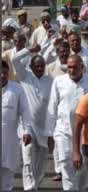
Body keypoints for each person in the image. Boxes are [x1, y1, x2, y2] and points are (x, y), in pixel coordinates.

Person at [46, 55, 88, 191]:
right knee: (66, 165)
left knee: (82, 167)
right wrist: (50, 133)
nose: (71, 70)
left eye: (74, 67)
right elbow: (52, 107)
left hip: (85, 133)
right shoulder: (59, 81)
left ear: (82, 67)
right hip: (63, 131)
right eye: (69, 67)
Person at [12, 50, 52, 191]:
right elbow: (15, 60)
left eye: (42, 66)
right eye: (37, 66)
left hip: (44, 129)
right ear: (31, 66)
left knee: (41, 164)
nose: (40, 68)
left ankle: (35, 185)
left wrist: (51, 132)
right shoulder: (25, 77)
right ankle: (29, 188)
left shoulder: (50, 81)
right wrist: (29, 50)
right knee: (28, 159)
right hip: (27, 127)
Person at [1, 60, 32, 192]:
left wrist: (27, 131)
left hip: (9, 142)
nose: (2, 75)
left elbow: (25, 112)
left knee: (7, 181)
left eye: (5, 73)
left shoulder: (17, 89)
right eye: (0, 73)